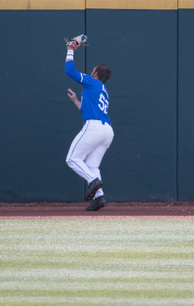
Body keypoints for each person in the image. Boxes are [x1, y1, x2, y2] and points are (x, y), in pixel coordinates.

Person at [64, 37, 114, 211]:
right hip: (107, 131)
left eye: (92, 71)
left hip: (94, 128)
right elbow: (88, 111)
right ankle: (99, 198)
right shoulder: (103, 90)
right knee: (92, 165)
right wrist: (77, 101)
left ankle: (93, 181)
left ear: (95, 74)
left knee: (71, 159)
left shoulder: (92, 82)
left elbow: (69, 71)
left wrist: (71, 49)